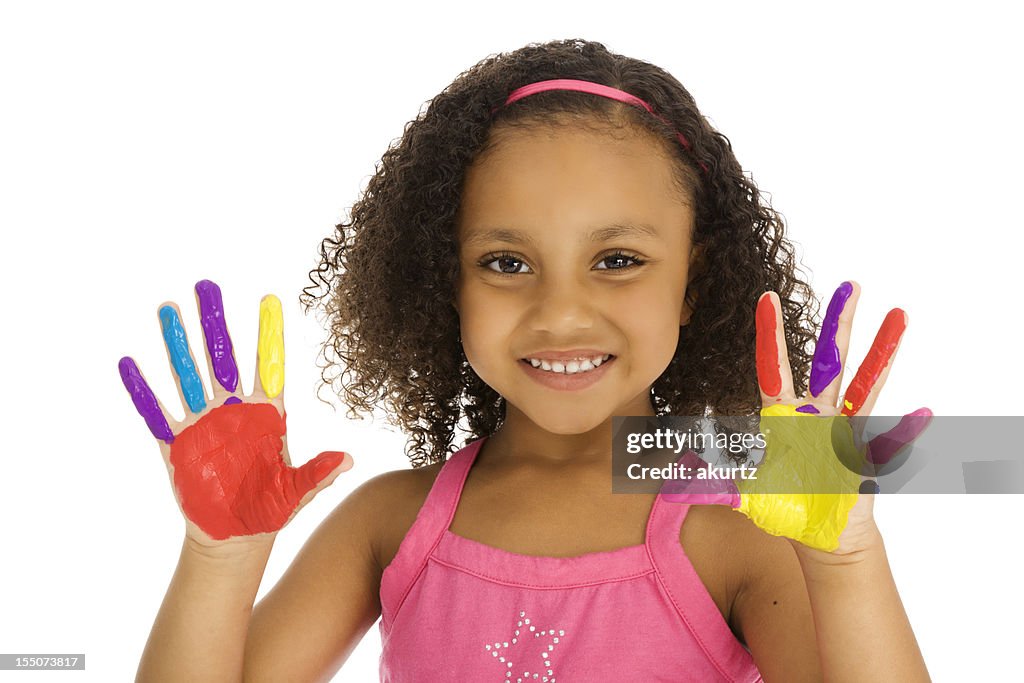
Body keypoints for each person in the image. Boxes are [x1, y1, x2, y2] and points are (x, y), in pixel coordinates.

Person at [123, 38, 931, 681]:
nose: (562, 312)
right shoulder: (390, 522)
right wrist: (218, 556)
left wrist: (846, 560)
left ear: (696, 283)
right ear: (447, 282)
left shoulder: (730, 530)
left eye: (617, 259)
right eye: (507, 262)